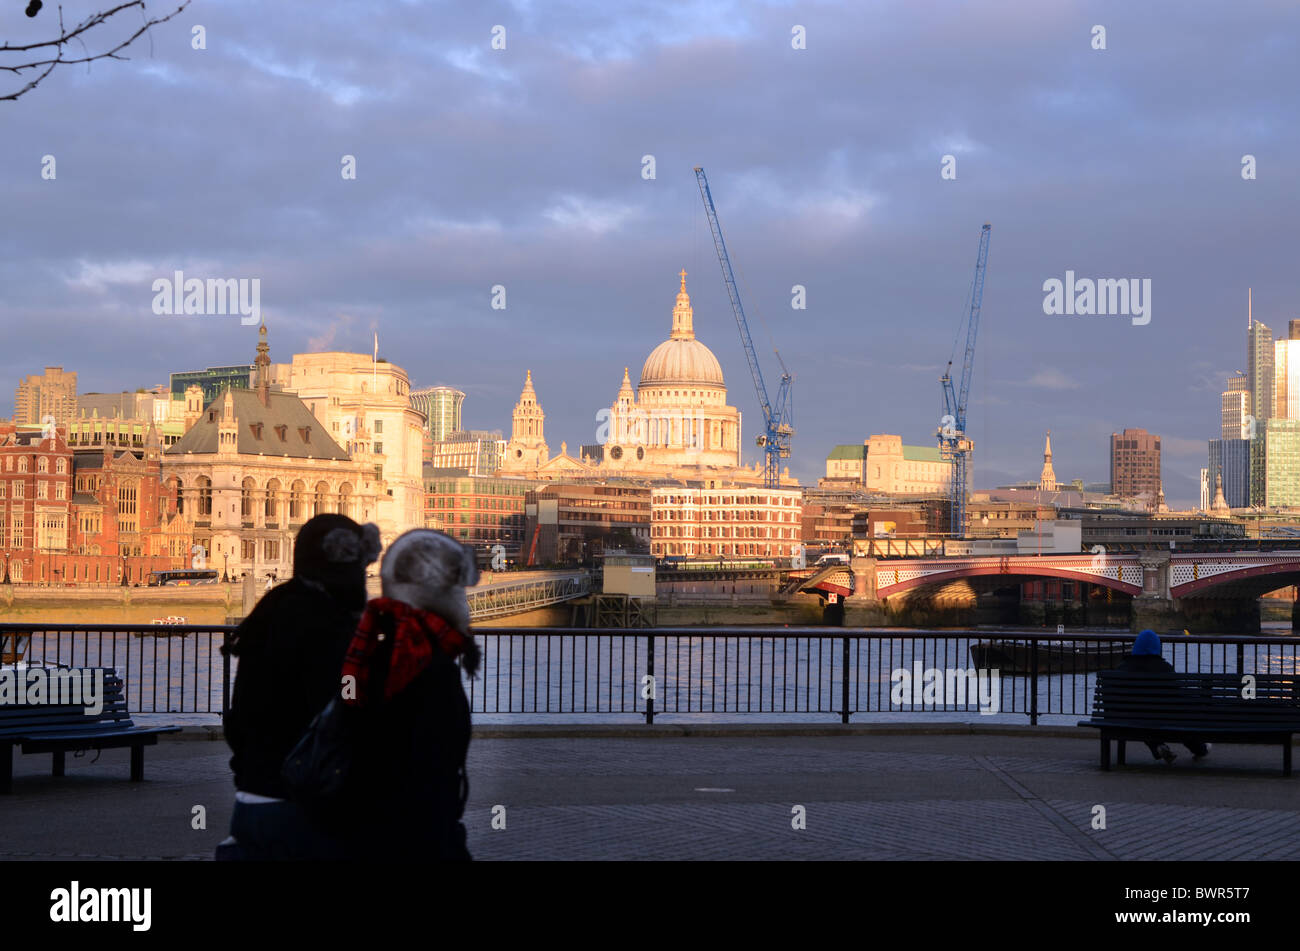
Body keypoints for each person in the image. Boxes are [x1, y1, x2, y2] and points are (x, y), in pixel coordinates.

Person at [218, 514, 382, 860]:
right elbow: (346, 708)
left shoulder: (273, 608)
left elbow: (241, 710)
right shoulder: (335, 624)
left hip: (252, 796)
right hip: (308, 803)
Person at [335, 528, 479, 861]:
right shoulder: (430, 667)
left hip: (367, 827)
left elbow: (349, 708)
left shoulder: (368, 651)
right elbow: (434, 763)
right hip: (418, 834)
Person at [1117, 629, 1210, 765]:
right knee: (1181, 721)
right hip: (1163, 717)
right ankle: (1200, 749)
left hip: (1127, 718)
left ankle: (1157, 746)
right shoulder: (1165, 669)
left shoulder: (1122, 668)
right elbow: (1177, 696)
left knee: (1142, 719)